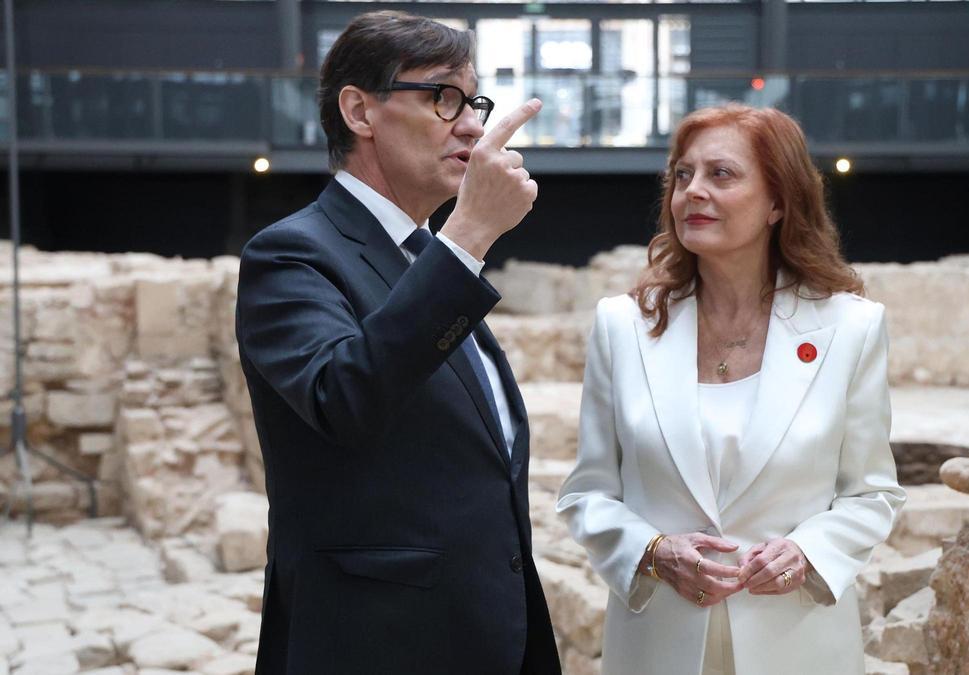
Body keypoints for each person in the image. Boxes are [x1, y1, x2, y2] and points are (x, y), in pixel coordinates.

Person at [235, 11, 560, 674]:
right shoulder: (293, 254)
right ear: (359, 109)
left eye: (474, 101)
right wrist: (469, 233)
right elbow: (344, 395)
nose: (471, 123)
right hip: (374, 639)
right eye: (443, 97)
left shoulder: (421, 258)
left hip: (481, 625)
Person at [557, 104, 906, 674]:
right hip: (656, 649)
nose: (693, 191)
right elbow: (587, 494)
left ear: (777, 202)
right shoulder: (621, 326)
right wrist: (651, 552)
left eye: (721, 174)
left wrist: (809, 552)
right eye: (682, 175)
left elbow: (872, 493)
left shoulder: (852, 327)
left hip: (798, 646)